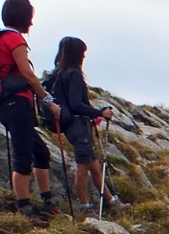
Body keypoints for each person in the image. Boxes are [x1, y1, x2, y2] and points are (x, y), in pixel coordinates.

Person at [0, 0, 62, 219]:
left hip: (6, 104)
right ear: (23, 17)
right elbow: (27, 74)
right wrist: (48, 101)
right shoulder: (14, 40)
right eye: (30, 18)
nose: (31, 23)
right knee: (23, 156)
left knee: (40, 152)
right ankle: (24, 208)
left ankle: (46, 201)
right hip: (17, 104)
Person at [49, 37, 126, 215]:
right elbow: (76, 104)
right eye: (82, 52)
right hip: (78, 124)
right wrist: (100, 113)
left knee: (94, 165)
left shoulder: (58, 73)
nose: (84, 56)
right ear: (76, 54)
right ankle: (84, 206)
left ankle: (112, 201)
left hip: (68, 125)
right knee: (82, 167)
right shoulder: (74, 74)